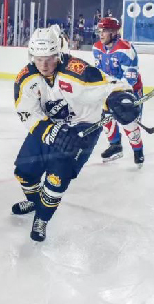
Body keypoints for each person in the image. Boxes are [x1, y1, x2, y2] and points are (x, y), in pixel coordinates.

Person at [12, 27, 138, 241]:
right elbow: (27, 112)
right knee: (24, 172)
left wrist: (120, 98)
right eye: (39, 59)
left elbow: (109, 85)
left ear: (58, 54)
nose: (43, 65)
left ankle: (42, 217)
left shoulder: (77, 70)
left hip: (82, 128)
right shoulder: (26, 78)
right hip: (48, 126)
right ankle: (35, 202)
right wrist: (50, 131)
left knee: (56, 179)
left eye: (49, 58)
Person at [92, 17, 145, 166]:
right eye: (100, 31)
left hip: (129, 90)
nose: (101, 34)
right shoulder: (96, 48)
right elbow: (99, 73)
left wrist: (117, 94)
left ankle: (138, 150)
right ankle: (115, 146)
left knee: (127, 119)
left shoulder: (126, 49)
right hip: (109, 90)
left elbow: (130, 79)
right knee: (105, 117)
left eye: (105, 31)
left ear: (114, 32)